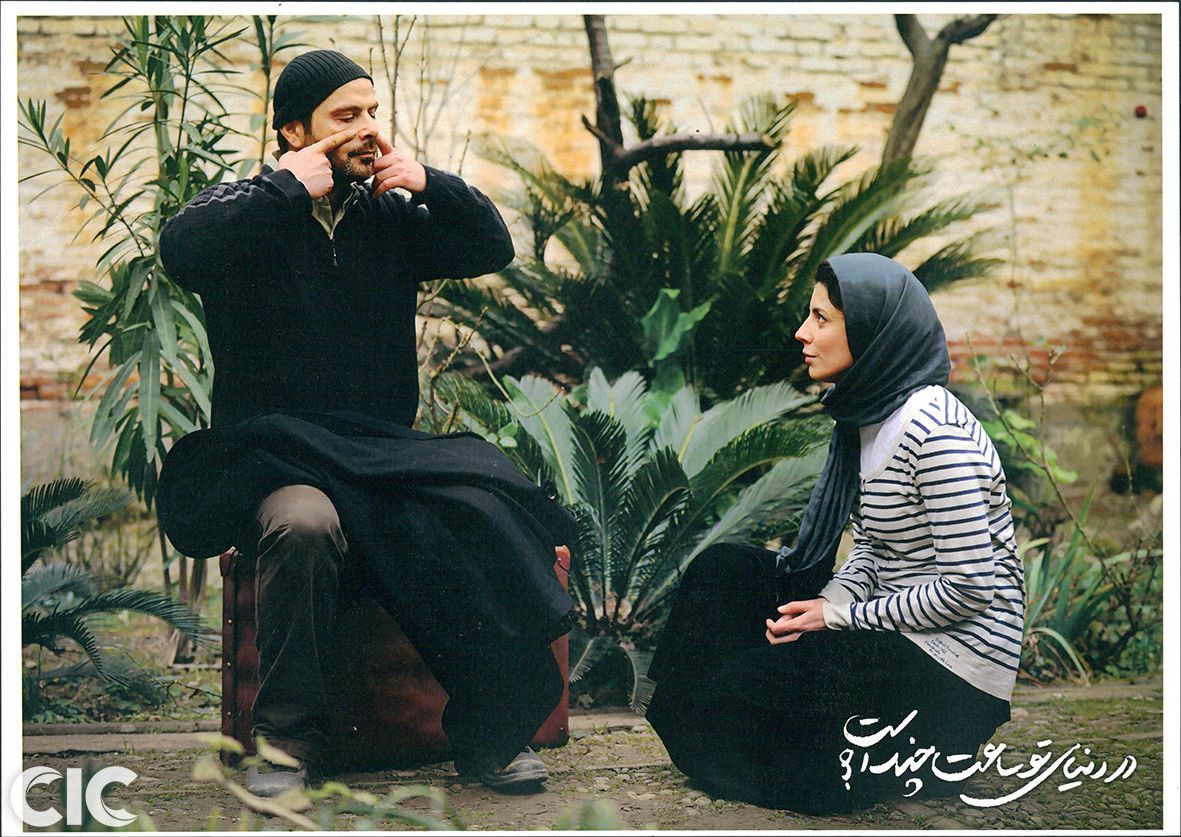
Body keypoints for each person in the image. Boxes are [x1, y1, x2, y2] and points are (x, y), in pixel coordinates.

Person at [155, 50, 572, 797]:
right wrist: (285, 190)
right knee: (305, 524)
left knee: (473, 507)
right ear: (294, 131)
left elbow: (491, 246)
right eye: (346, 116)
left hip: (381, 455)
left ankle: (489, 733)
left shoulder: (388, 217)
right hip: (277, 456)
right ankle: (285, 745)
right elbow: (181, 249)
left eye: (373, 112)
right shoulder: (248, 209)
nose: (369, 129)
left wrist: (430, 182)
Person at [645, 253, 1025, 814]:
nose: (803, 333)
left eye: (821, 318)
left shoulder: (936, 434)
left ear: (871, 332)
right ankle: (713, 735)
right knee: (724, 571)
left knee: (748, 690)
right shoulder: (867, 414)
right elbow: (873, 547)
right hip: (890, 627)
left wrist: (838, 618)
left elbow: (970, 589)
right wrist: (823, 604)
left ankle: (904, 761)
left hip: (950, 670)